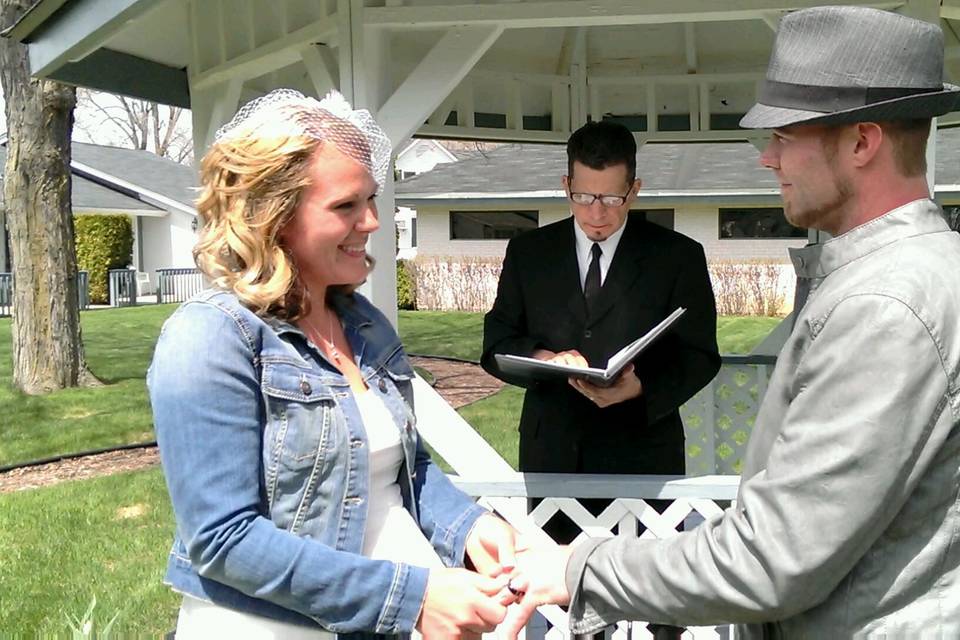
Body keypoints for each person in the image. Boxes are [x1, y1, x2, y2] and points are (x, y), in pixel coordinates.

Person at [503, 6, 960, 639]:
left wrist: (583, 568)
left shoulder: (886, 305)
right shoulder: (907, 274)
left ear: (861, 140)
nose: (767, 159)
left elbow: (773, 557)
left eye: (785, 136)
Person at [148, 88, 519, 639]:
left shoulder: (364, 324)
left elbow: (405, 468)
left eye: (371, 199)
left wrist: (469, 528)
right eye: (346, 206)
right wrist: (410, 598)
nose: (371, 221)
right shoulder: (209, 337)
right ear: (271, 217)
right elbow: (222, 538)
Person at [480, 119, 721, 541]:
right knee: (554, 593)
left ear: (635, 189)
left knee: (647, 591)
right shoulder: (527, 252)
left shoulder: (678, 256)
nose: (597, 212)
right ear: (566, 185)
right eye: (584, 196)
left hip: (644, 455)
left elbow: (699, 355)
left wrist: (640, 387)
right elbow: (496, 340)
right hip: (552, 455)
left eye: (611, 197)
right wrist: (544, 359)